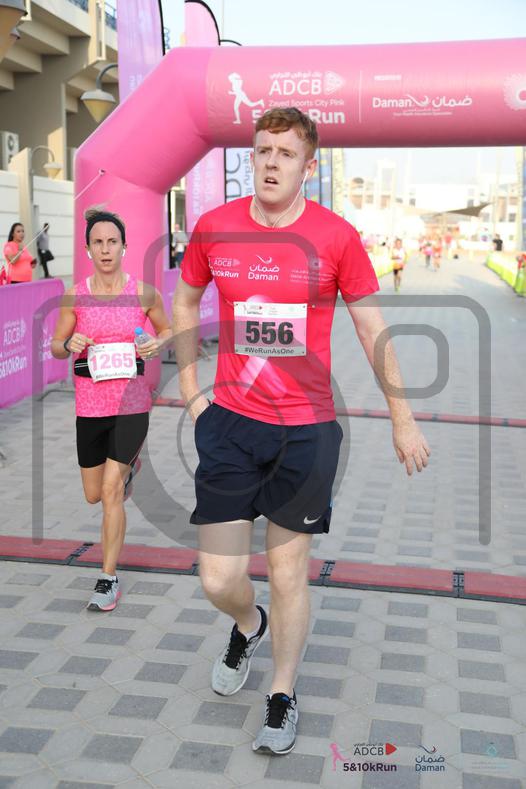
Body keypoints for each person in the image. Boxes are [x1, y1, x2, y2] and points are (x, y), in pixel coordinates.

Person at [174, 107, 430, 756]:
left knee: (288, 571)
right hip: (231, 426)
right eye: (263, 150)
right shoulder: (215, 227)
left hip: (307, 432)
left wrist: (402, 418)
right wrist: (190, 388)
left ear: (308, 167)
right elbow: (185, 298)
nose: (271, 162)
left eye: (286, 153)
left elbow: (372, 329)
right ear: (251, 157)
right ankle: (247, 622)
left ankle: (282, 692)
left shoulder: (336, 237)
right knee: (217, 578)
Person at [51, 208, 172, 611]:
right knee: (92, 494)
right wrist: (67, 344)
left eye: (112, 242)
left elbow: (168, 330)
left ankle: (107, 579)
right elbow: (56, 345)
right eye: (98, 242)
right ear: (88, 249)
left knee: (109, 492)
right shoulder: (75, 296)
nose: (105, 249)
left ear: (124, 246)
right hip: (89, 407)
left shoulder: (143, 293)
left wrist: (156, 343)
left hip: (131, 406)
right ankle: (129, 472)